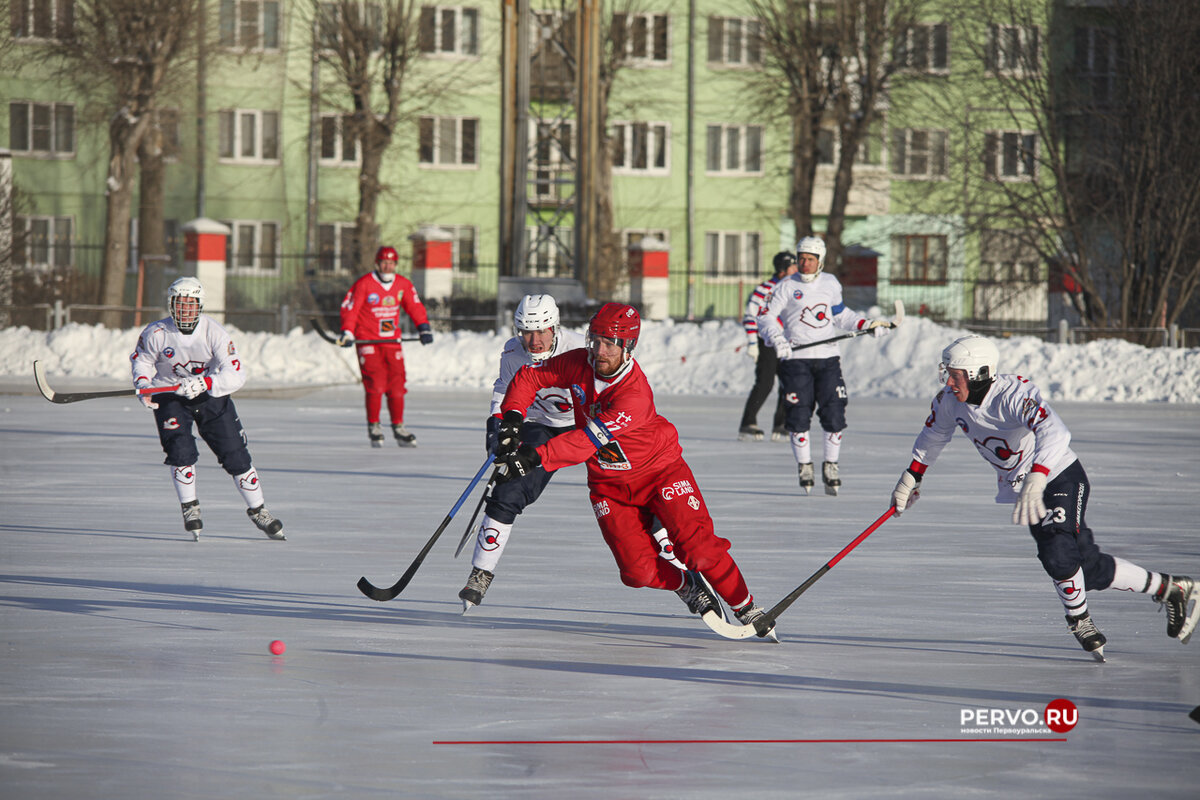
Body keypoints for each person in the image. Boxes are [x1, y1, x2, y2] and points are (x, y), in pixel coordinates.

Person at [890, 334, 1199, 659]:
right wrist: (911, 478)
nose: (949, 382)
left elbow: (1055, 431)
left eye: (956, 375)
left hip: (1057, 475)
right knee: (1087, 569)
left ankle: (1079, 620)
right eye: (947, 373)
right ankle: (1170, 588)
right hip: (1027, 487)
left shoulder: (1014, 394)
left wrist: (1038, 477)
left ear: (980, 373)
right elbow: (934, 434)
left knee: (1057, 555)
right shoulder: (949, 401)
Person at [491, 302, 775, 638]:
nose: (599, 350)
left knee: (697, 549)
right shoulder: (578, 361)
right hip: (610, 486)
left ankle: (745, 605)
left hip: (660, 473)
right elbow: (530, 376)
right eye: (594, 339)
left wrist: (534, 457)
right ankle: (686, 585)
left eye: (609, 344)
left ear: (628, 348)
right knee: (636, 572)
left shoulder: (633, 395)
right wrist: (511, 418)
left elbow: (585, 441)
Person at [131, 277, 285, 542]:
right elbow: (142, 361)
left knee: (235, 454)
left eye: (190, 305)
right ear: (171, 305)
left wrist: (205, 381)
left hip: (210, 397)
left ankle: (258, 509)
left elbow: (237, 374)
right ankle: (190, 507)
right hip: (171, 396)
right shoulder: (156, 332)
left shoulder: (215, 333)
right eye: (180, 304)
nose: (185, 310)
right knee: (180, 450)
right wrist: (143, 385)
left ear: (200, 306)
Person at [459, 294, 586, 611]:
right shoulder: (514, 352)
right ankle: (481, 572)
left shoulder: (579, 350)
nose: (535, 340)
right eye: (526, 331)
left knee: (633, 490)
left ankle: (685, 575)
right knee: (509, 486)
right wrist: (496, 429)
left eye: (542, 330)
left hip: (587, 426)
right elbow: (503, 391)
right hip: (540, 423)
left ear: (555, 327)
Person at [756, 236, 894, 495]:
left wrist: (866, 325)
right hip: (796, 361)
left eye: (810, 259)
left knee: (834, 413)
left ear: (820, 261)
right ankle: (804, 465)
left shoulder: (830, 283)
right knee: (798, 415)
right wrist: (777, 338)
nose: (805, 264)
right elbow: (765, 317)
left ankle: (831, 465)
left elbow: (840, 315)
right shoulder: (786, 286)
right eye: (801, 259)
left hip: (828, 359)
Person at [338, 245, 434, 448]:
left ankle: (398, 427)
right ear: (377, 263)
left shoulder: (402, 284)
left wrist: (423, 327)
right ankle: (374, 425)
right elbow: (351, 309)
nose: (387, 266)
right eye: (384, 262)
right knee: (376, 384)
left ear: (396, 264)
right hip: (369, 341)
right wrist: (347, 331)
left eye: (391, 263)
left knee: (397, 386)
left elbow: (414, 306)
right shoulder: (364, 284)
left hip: (391, 341)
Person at [738, 251, 797, 442]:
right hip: (767, 342)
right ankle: (748, 423)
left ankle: (781, 424)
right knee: (765, 383)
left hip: (787, 342)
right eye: (792, 266)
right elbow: (750, 316)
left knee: (788, 383)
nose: (796, 269)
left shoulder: (795, 288)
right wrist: (753, 343)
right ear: (782, 269)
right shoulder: (764, 289)